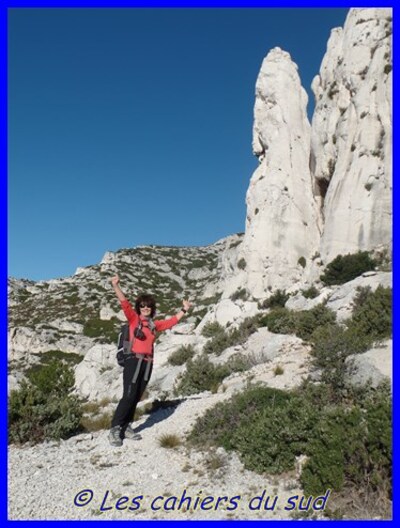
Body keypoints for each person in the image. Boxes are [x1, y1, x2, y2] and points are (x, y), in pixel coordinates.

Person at [108, 274, 191, 447]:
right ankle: (115, 428)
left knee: (137, 395)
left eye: (149, 306)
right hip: (133, 361)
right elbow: (125, 304)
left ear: (152, 308)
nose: (146, 308)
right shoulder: (134, 319)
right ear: (139, 307)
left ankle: (127, 426)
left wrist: (184, 310)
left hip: (147, 363)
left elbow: (171, 322)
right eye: (143, 306)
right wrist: (116, 286)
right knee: (128, 395)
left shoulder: (154, 324)